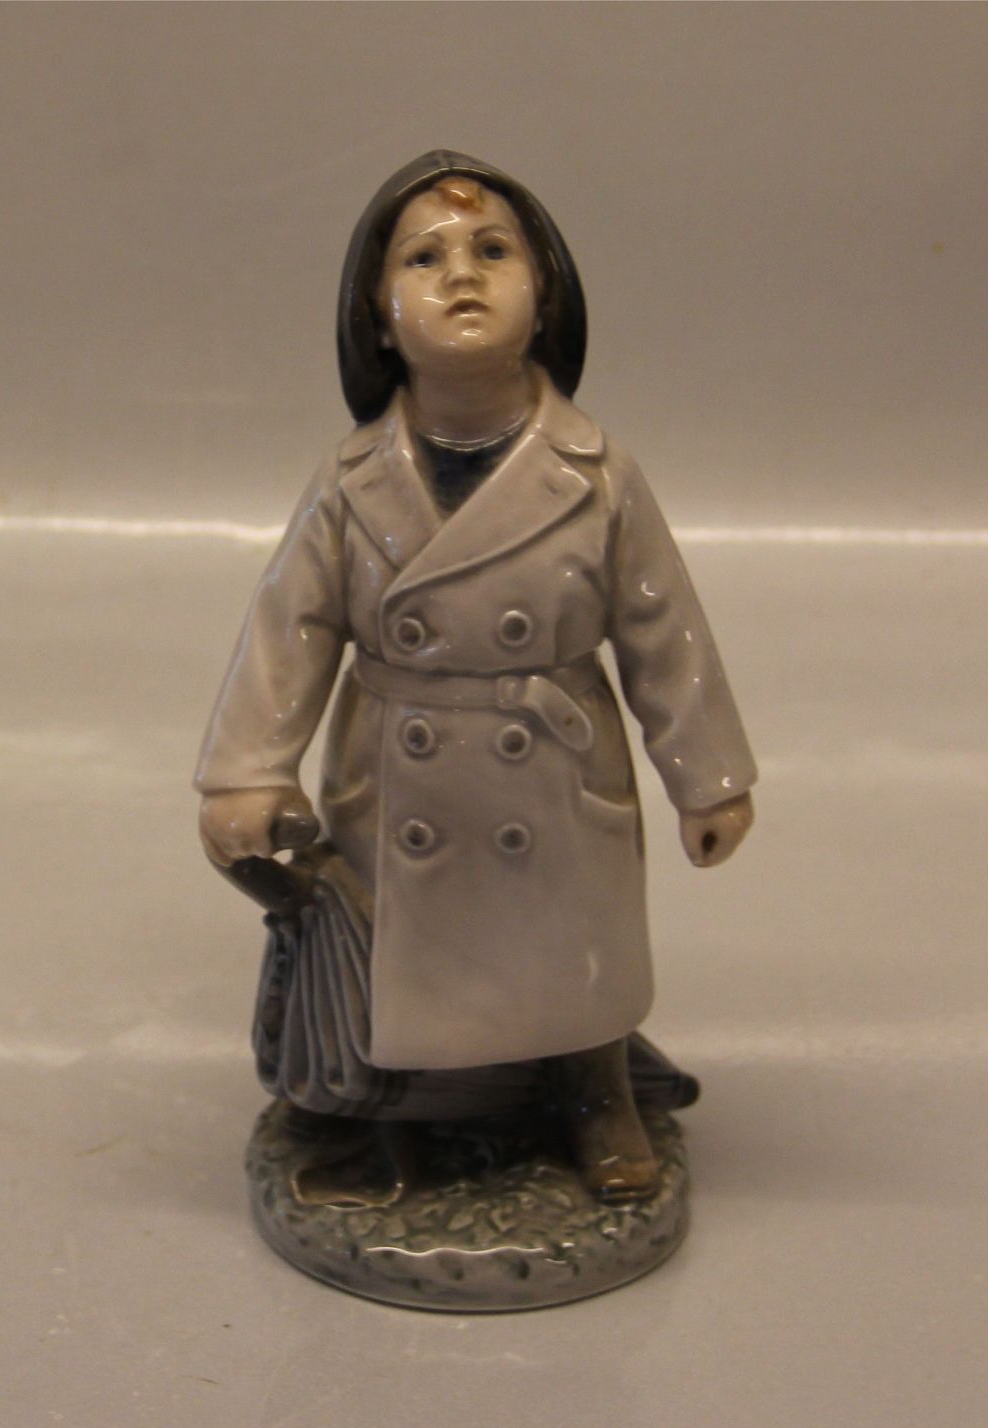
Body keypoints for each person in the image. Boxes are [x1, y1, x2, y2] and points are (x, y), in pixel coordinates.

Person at [196, 151, 756, 1202]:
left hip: (550, 763)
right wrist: (248, 771)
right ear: (376, 315)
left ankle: (594, 1092)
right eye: (424, 257)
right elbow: (290, 626)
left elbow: (662, 627)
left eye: (493, 250)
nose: (462, 273)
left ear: (545, 299)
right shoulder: (350, 480)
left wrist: (708, 778)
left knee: (573, 952)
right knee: (406, 958)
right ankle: (398, 1110)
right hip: (400, 767)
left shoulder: (597, 472)